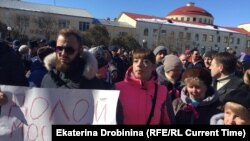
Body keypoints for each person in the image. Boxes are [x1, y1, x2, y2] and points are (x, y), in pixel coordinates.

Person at [115, 48, 171, 125]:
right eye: (135, 61)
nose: (139, 64)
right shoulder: (117, 88)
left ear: (154, 66)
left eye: (145, 61)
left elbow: (167, 121)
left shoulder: (162, 91)